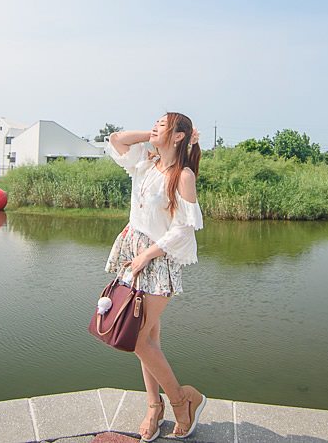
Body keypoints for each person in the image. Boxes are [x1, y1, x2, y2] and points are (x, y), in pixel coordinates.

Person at [104, 112, 207, 441]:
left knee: (136, 338)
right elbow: (116, 140)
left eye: (162, 125)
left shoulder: (183, 175)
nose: (154, 128)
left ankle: (181, 401)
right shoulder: (144, 163)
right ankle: (154, 406)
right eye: (155, 124)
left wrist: (146, 256)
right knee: (149, 340)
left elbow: (183, 230)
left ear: (178, 136)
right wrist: (150, 136)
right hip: (133, 251)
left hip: (157, 259)